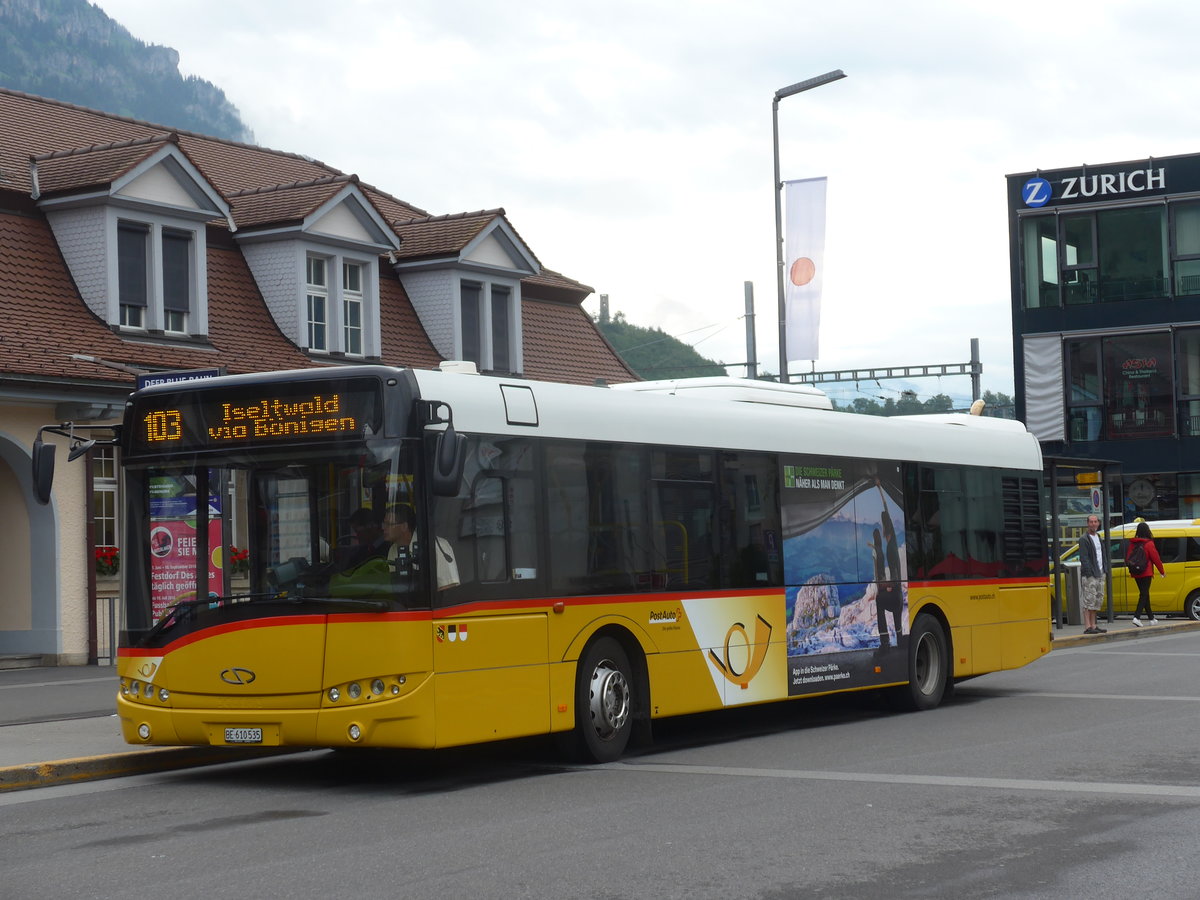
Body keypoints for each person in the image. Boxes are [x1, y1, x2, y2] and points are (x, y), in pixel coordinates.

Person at [381, 503, 460, 591]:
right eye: (384, 524)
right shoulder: (393, 550)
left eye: (388, 524)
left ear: (404, 526)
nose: (384, 528)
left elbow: (448, 588)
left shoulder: (436, 546)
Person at [1126, 520, 1165, 626]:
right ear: (1148, 531)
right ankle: (1136, 617)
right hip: (1146, 572)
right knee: (1144, 594)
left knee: (1145, 594)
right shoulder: (1149, 544)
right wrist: (1162, 571)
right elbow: (1156, 558)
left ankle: (1151, 618)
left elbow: (1128, 557)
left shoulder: (1132, 543)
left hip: (1136, 572)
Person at [1077, 514, 1108, 634]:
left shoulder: (1099, 537)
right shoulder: (1084, 539)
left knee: (1097, 599)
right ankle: (1087, 626)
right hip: (1090, 574)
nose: (1093, 524)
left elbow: (1103, 554)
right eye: (1091, 522)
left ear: (1098, 523)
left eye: (1095, 522)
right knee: (1088, 600)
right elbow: (1084, 558)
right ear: (1087, 523)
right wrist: (1089, 573)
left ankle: (1094, 625)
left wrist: (1104, 568)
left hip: (1100, 573)